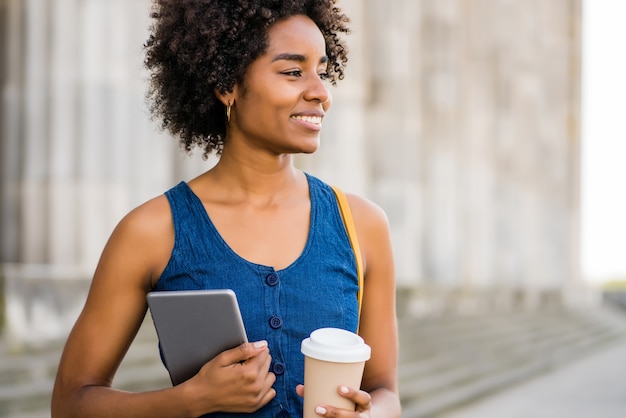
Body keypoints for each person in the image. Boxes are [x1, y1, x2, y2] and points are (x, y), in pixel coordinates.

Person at [51, 1, 400, 417]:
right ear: (226, 85)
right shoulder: (152, 231)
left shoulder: (361, 224)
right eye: (293, 72)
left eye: (322, 73)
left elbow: (385, 391)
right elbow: (70, 403)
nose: (320, 92)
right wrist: (191, 400)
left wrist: (370, 414)